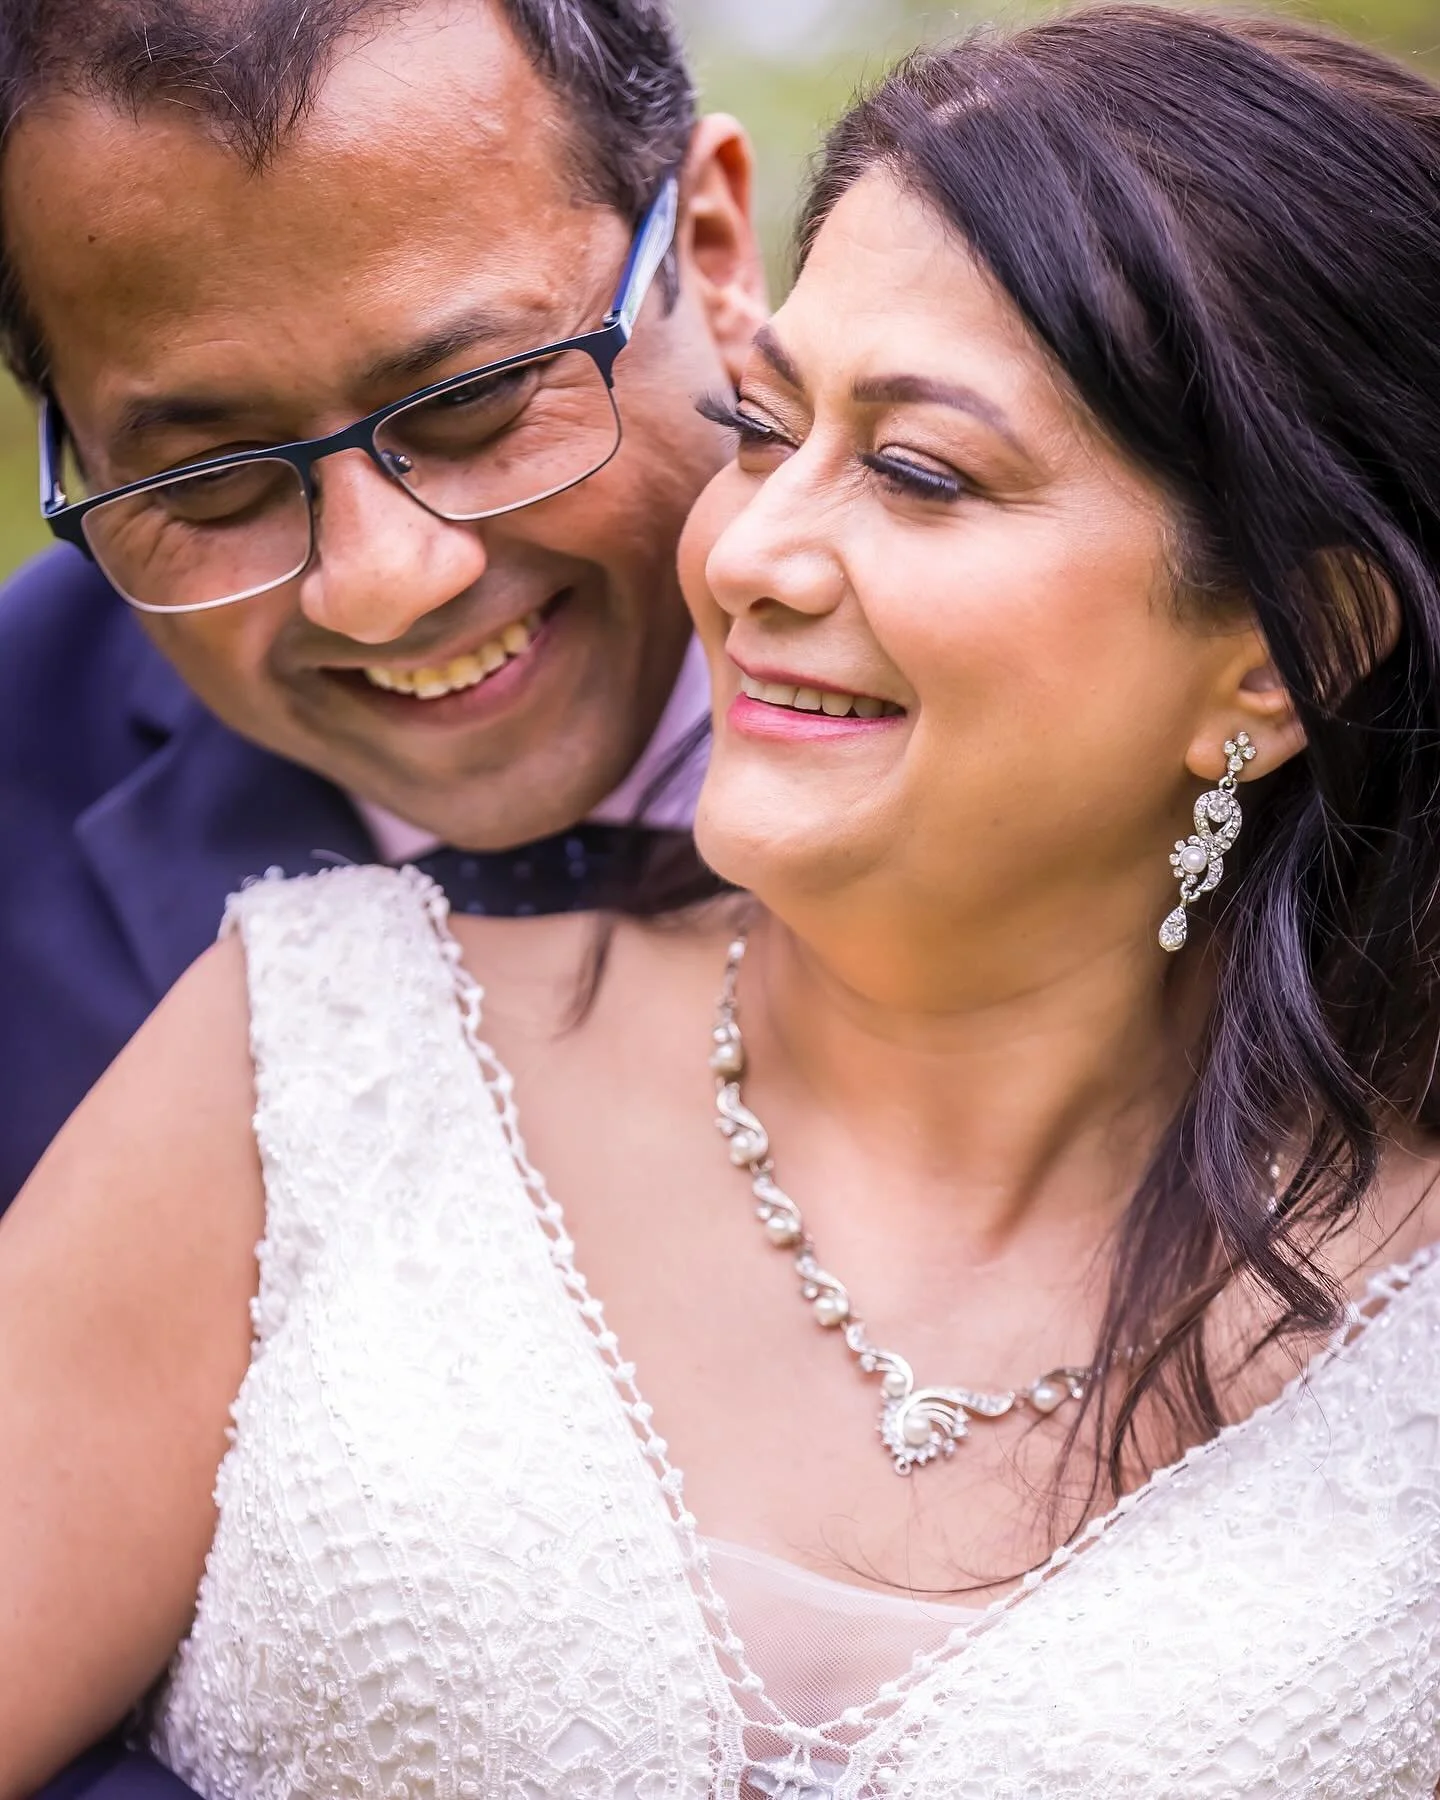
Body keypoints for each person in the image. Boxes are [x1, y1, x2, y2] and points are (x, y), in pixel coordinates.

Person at [6, 2, 1440, 1794]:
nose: (749, 556)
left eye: (919, 473)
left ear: (1283, 657)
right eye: (767, 434)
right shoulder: (298, 1039)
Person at [0, 0, 765, 1214]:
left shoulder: (1079, 663)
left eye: (479, 399)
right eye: (212, 483)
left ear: (712, 250)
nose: (380, 587)